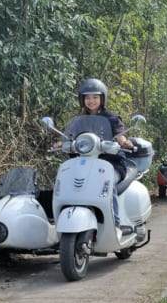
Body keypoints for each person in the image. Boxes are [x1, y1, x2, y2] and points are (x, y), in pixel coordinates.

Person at [56, 78, 133, 233]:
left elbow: (119, 135)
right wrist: (60, 143)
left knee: (108, 184)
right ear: (82, 99)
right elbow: (69, 136)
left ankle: (115, 223)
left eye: (95, 97)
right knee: (66, 181)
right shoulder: (78, 121)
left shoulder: (112, 118)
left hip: (110, 163)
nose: (91, 101)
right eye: (87, 97)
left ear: (102, 98)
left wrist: (124, 142)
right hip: (84, 163)